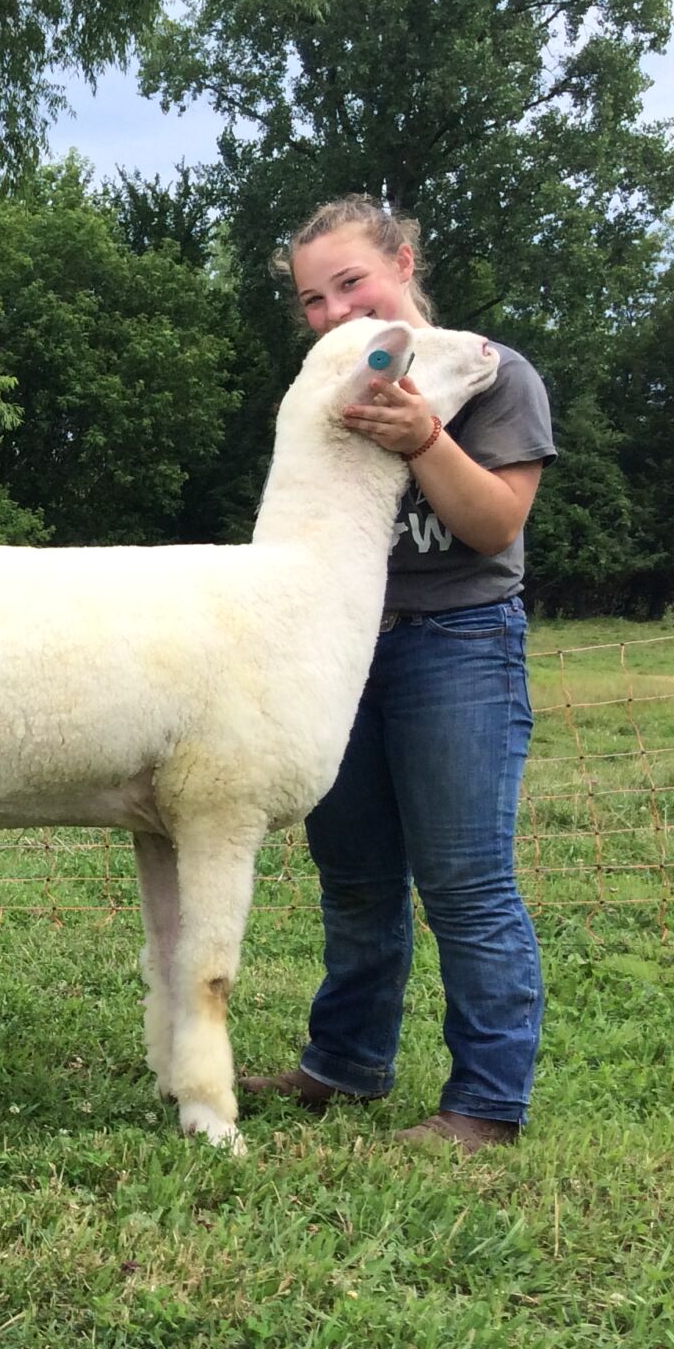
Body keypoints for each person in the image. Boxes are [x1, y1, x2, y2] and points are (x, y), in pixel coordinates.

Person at [242, 196, 555, 1151]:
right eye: (312, 299)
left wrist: (424, 438)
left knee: (465, 880)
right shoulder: (328, 385)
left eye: (351, 283)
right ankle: (343, 1066)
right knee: (357, 878)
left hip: (457, 639)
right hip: (339, 652)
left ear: (404, 262)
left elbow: (496, 526)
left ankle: (488, 1103)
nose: (335, 313)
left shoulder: (495, 377)